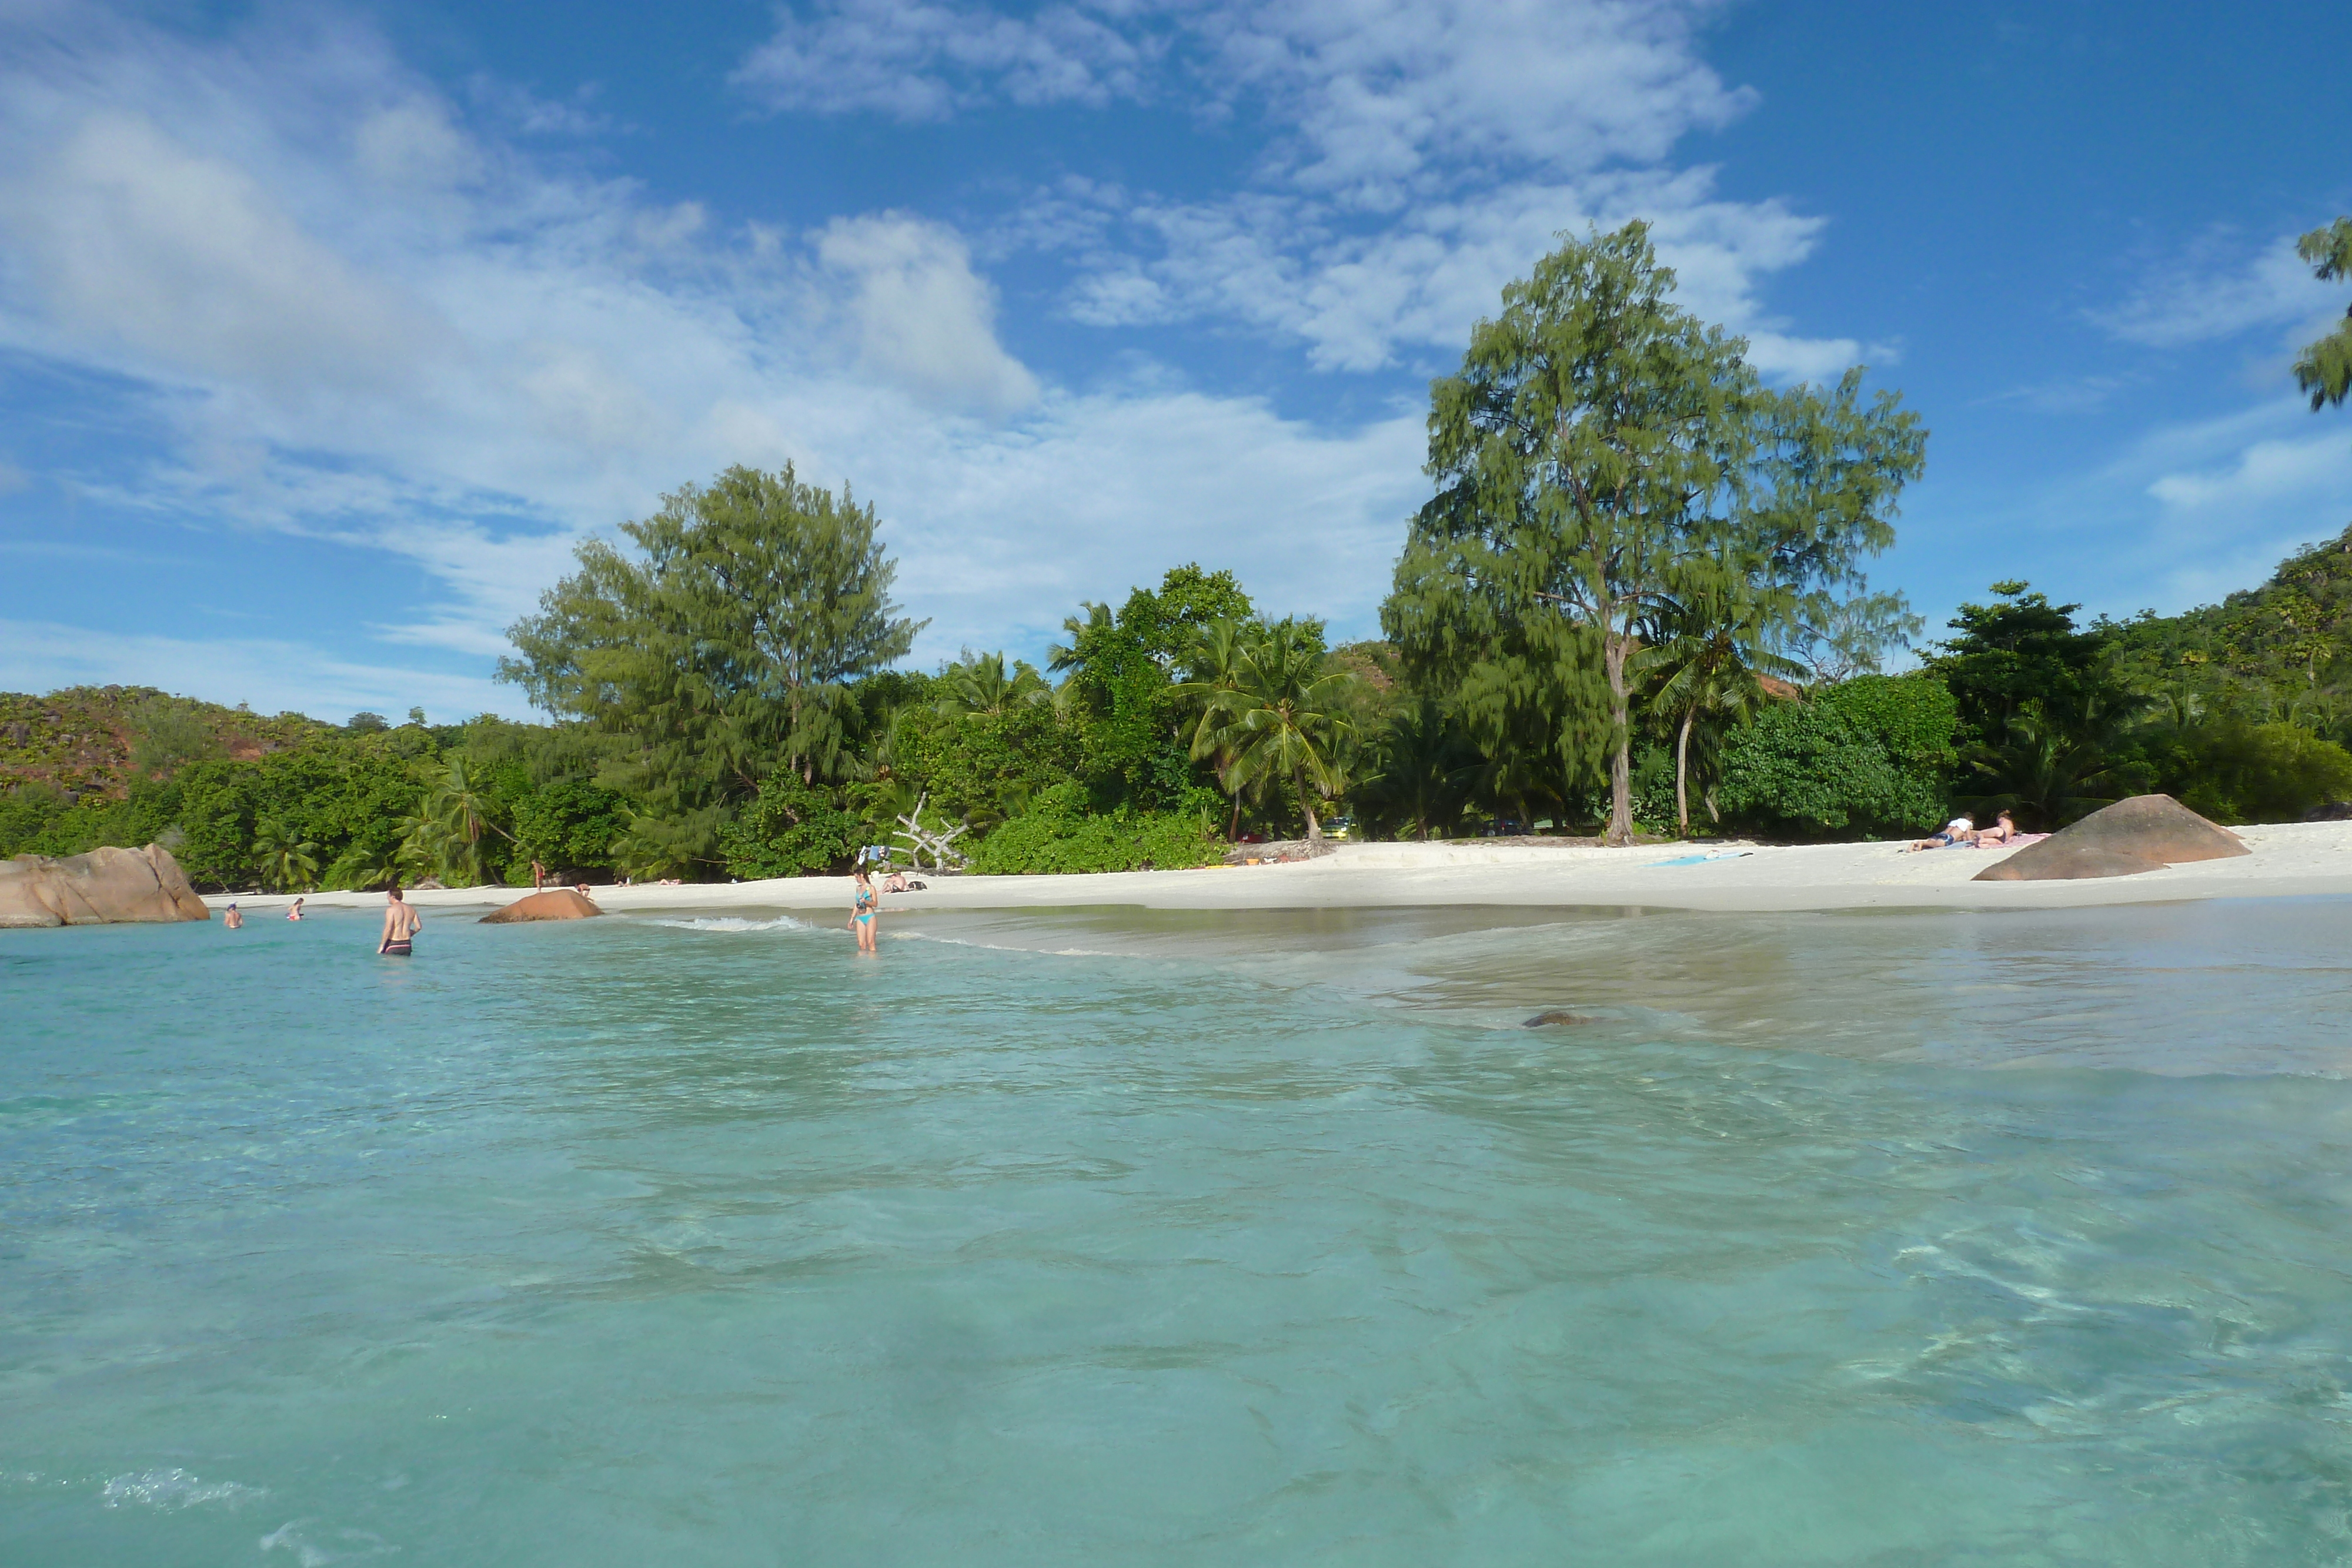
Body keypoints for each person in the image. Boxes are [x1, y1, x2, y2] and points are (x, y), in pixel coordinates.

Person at [379, 885, 422, 957]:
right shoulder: (411, 909)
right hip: (407, 944)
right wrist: (411, 933)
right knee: (405, 967)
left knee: (389, 967)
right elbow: (418, 927)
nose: (387, 898)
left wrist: (382, 945)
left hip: (394, 943)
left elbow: (388, 929)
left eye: (388, 896)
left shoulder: (391, 910)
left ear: (393, 897)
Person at [849, 867, 879, 955]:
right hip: (860, 917)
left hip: (870, 916)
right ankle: (862, 965)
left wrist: (866, 902)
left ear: (861, 876)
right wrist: (852, 919)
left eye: (857, 877)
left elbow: (875, 903)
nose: (856, 880)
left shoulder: (871, 888)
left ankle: (873, 962)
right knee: (861, 944)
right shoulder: (858, 888)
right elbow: (856, 904)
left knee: (871, 942)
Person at [1906, 815, 1975, 851]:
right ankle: (1922, 843)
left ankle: (1915, 845)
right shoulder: (1968, 823)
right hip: (1949, 837)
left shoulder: (1955, 821)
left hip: (1942, 834)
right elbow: (1968, 838)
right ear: (1971, 821)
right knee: (1938, 844)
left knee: (1931, 843)